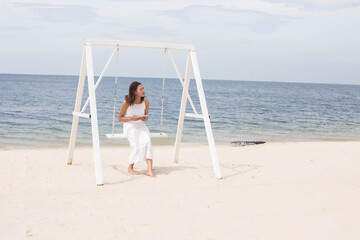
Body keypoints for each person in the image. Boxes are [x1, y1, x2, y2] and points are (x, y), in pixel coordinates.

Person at [118, 81, 154, 177]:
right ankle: (130, 167)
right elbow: (120, 118)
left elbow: (146, 118)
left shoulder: (146, 102)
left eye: (143, 88)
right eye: (141, 89)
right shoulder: (127, 102)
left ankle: (149, 170)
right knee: (137, 145)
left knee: (147, 141)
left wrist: (143, 118)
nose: (143, 90)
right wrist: (131, 118)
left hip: (141, 126)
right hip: (130, 126)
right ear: (134, 91)